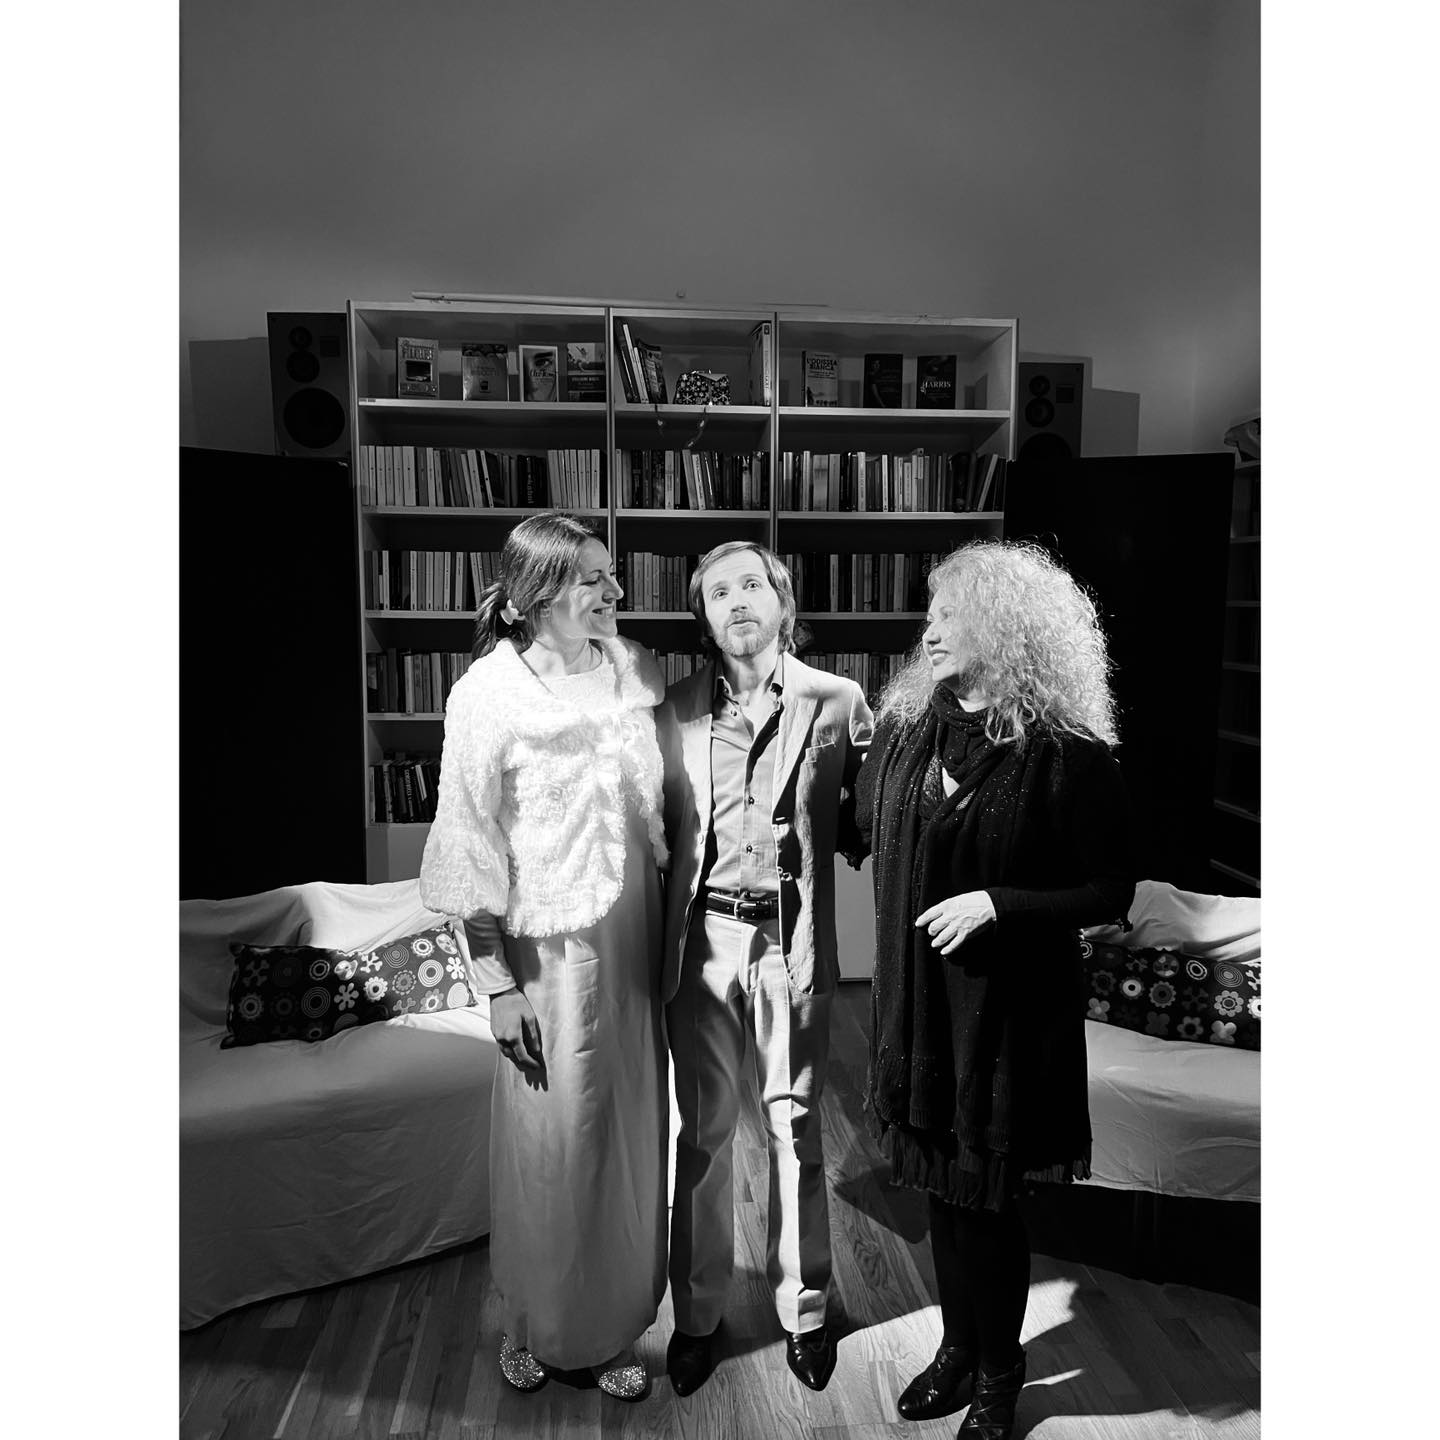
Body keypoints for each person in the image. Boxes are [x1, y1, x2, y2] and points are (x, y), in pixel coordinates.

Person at [855, 539, 1137, 1439]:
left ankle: (999, 1375)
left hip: (1007, 1016)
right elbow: (854, 826)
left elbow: (1111, 892)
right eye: (931, 614)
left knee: (986, 1203)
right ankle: (956, 1349)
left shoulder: (1068, 754)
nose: (930, 630)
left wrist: (998, 904)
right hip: (920, 1011)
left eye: (952, 615)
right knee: (940, 1192)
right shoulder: (905, 731)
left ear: (1008, 629)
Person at [419, 511, 669, 1401]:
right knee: (552, 1140)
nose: (614, 591)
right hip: (549, 954)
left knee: (626, 1138)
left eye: (611, 574)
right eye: (592, 578)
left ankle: (612, 1324)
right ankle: (533, 1320)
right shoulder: (487, 694)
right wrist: (496, 985)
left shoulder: (633, 668)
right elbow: (468, 840)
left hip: (637, 944)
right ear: (534, 595)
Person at [655, 540, 873, 1396]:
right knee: (703, 1137)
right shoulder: (673, 708)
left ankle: (805, 1311)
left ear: (783, 602)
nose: (737, 601)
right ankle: (696, 1316)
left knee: (795, 1127)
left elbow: (874, 812)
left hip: (794, 941)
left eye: (753, 585)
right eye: (719, 592)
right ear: (704, 617)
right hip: (702, 943)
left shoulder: (837, 701)